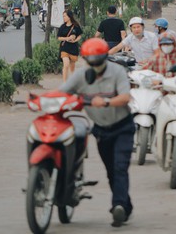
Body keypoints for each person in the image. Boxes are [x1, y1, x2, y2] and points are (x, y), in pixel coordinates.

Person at [59, 38, 134, 227]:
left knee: (119, 167)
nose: (94, 64)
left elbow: (125, 97)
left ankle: (118, 207)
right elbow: (62, 93)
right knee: (111, 171)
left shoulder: (117, 71)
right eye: (89, 59)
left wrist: (106, 101)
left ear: (104, 58)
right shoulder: (81, 75)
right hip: (101, 130)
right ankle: (126, 205)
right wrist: (40, 101)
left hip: (123, 126)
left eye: (97, 59)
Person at [57, 9, 83, 81]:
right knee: (66, 64)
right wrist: (67, 38)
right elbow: (59, 38)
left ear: (69, 17)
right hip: (64, 47)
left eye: (65, 16)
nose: (64, 18)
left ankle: (72, 81)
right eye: (63, 16)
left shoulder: (76, 26)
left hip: (73, 48)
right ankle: (65, 83)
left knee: (72, 66)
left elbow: (80, 35)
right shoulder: (62, 27)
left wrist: (75, 40)